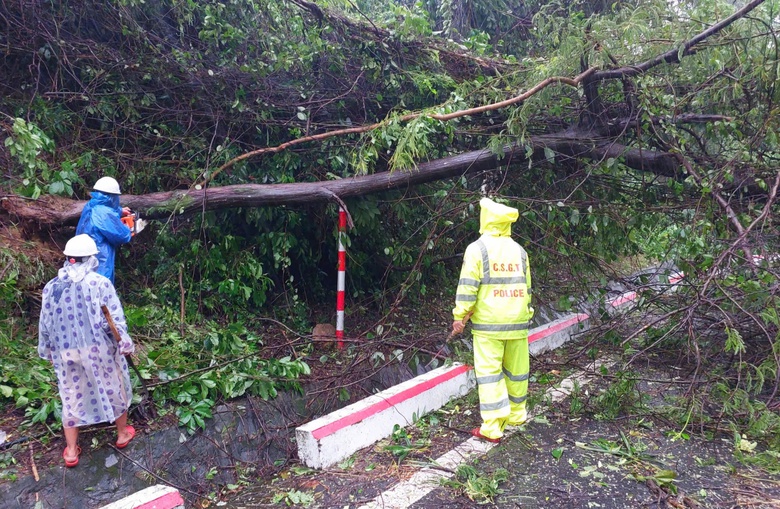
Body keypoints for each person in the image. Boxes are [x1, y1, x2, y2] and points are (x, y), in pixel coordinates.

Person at [38, 234, 137, 467]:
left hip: (66, 352)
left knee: (70, 394)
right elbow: (112, 319)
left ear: (69, 259)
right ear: (91, 259)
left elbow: (45, 323)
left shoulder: (52, 288)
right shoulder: (100, 284)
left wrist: (47, 349)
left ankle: (71, 450)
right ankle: (122, 434)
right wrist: (123, 341)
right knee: (113, 386)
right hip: (98, 349)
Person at [452, 197, 533, 443]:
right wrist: (526, 314)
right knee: (518, 371)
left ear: (485, 219)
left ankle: (493, 426)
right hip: (518, 322)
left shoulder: (477, 249)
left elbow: (468, 287)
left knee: (490, 374)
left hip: (489, 325)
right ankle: (518, 414)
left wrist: (459, 317)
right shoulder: (520, 251)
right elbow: (527, 288)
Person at [76, 176, 132, 284]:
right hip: (100, 256)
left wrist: (120, 211)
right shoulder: (105, 213)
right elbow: (122, 236)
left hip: (83, 254)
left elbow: (106, 207)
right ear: (113, 196)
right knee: (101, 287)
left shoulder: (91, 205)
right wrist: (128, 229)